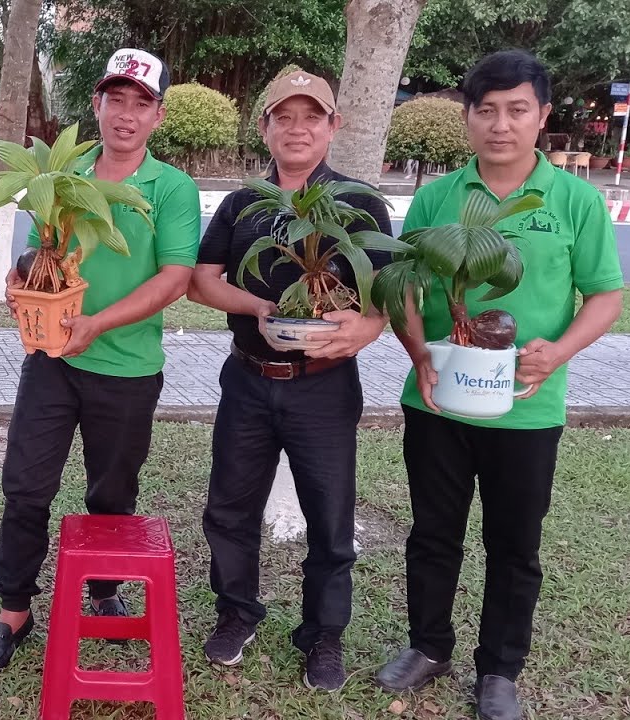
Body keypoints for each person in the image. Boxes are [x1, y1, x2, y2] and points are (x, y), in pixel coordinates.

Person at [373, 50, 622, 720]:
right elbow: (404, 289)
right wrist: (418, 351)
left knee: (514, 544)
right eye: (486, 111)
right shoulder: (437, 197)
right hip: (437, 400)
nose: (500, 125)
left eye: (517, 110)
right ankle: (428, 646)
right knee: (432, 533)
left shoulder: (573, 201)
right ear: (468, 118)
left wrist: (559, 351)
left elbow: (604, 297)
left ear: (542, 115)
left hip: (525, 408)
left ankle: (499, 671)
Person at [0, 48, 201, 675]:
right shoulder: (64, 178)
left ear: (157, 114)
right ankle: (14, 609)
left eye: (141, 103)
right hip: (52, 360)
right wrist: (25, 284)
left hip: (127, 367)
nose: (126, 115)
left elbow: (177, 276)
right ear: (96, 105)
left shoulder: (172, 187)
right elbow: (32, 258)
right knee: (25, 485)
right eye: (115, 100)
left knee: (112, 490)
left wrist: (97, 323)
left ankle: (102, 592)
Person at [188, 69, 393, 691]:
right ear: (266, 128)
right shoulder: (242, 202)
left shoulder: (358, 202)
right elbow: (202, 280)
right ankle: (237, 613)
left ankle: (323, 635)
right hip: (248, 378)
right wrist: (256, 308)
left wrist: (368, 326)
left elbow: (384, 294)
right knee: (229, 507)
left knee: (329, 516)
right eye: (284, 117)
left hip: (324, 386)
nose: (297, 129)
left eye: (312, 117)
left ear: (334, 127)